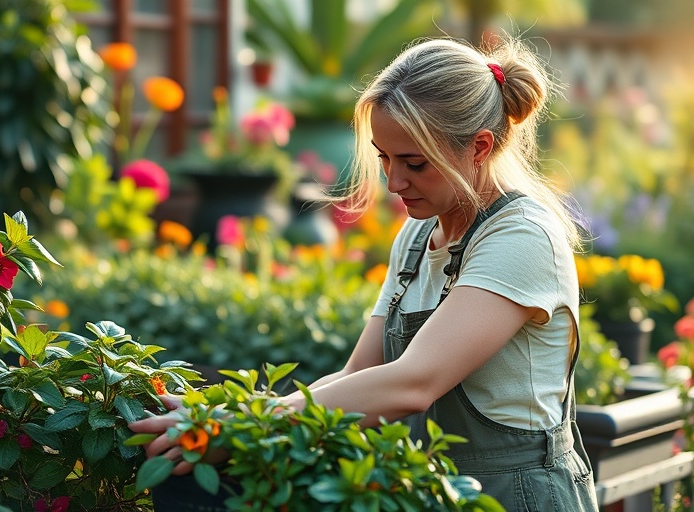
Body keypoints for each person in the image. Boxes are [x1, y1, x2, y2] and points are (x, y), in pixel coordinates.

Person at [130, 35, 599, 511]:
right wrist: (236, 415)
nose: (393, 183)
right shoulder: (417, 240)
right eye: (384, 158)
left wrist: (250, 424)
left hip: (516, 495)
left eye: (415, 163)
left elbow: (413, 382)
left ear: (478, 147)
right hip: (430, 491)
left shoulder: (522, 239)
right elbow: (360, 373)